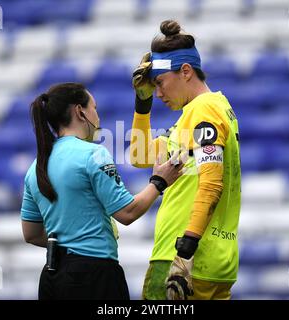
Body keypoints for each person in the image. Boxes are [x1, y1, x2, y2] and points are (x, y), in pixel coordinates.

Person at [20, 82, 184, 300]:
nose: (97, 117)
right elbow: (127, 213)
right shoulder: (93, 154)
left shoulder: (36, 167)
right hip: (93, 275)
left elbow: (31, 234)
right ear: (80, 111)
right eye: (94, 108)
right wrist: (159, 182)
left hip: (52, 277)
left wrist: (67, 245)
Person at [129, 20, 242, 300]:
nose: (159, 93)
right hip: (216, 262)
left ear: (186, 71)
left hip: (182, 260)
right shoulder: (211, 110)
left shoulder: (203, 111)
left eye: (160, 83)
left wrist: (184, 253)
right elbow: (140, 155)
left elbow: (211, 184)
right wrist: (142, 104)